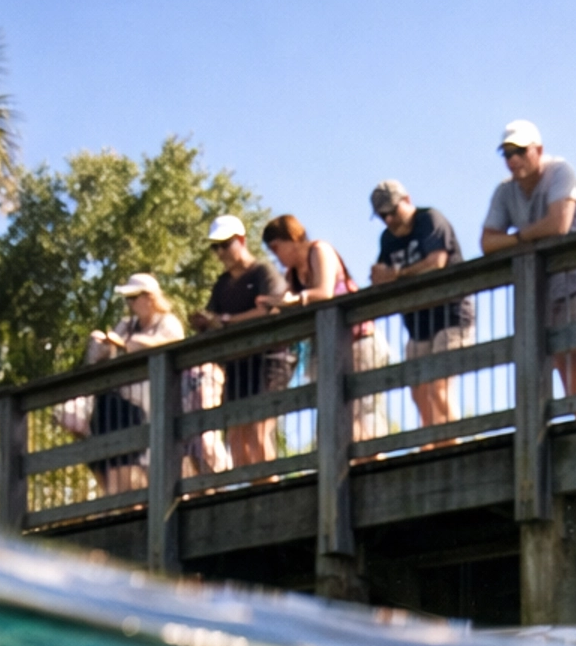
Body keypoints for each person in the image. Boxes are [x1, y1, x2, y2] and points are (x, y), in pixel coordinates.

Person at [481, 120, 576, 409]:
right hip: (544, 291)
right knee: (564, 371)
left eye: (520, 151)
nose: (513, 159)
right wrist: (528, 239)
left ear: (538, 150)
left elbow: (558, 223)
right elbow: (487, 242)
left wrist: (517, 237)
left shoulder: (560, 171)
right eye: (507, 153)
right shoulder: (505, 191)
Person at [257, 215, 386, 441]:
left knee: (362, 412)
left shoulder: (319, 250)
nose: (276, 255)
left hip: (357, 338)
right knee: (333, 415)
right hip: (328, 346)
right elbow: (292, 302)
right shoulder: (293, 275)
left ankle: (373, 463)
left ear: (293, 238)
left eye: (277, 247)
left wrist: (295, 300)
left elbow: (325, 292)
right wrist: (272, 305)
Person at [369, 181, 474, 433]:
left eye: (393, 211)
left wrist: (397, 274)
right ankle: (435, 442)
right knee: (418, 390)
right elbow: (381, 275)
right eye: (383, 215)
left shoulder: (429, 219)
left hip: (452, 315)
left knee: (439, 385)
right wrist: (381, 276)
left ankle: (454, 443)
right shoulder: (387, 239)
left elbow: (436, 262)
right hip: (417, 324)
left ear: (407, 199)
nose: (390, 219)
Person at [190, 215, 293, 469]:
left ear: (241, 240)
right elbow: (216, 319)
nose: (221, 252)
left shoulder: (262, 272)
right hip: (237, 367)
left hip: (269, 360)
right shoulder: (222, 284)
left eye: (225, 244)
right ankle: (250, 493)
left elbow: (273, 307)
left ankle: (270, 491)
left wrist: (227, 320)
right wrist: (206, 323)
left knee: (257, 430)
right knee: (236, 437)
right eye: (216, 247)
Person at [83, 272, 183, 496]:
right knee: (105, 456)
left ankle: (131, 503)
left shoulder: (168, 323)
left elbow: (169, 346)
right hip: (122, 407)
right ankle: (114, 502)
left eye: (133, 297)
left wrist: (127, 344)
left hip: (151, 408)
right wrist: (100, 346)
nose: (129, 303)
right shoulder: (126, 325)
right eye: (127, 298)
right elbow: (109, 353)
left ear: (150, 297)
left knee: (133, 460)